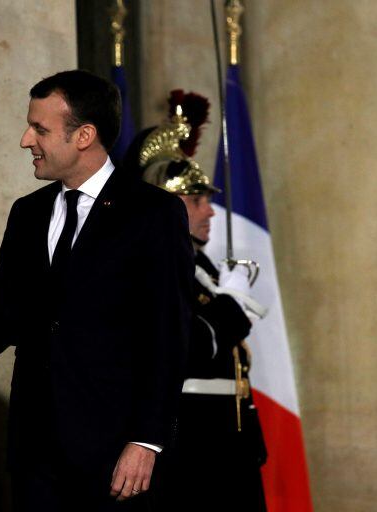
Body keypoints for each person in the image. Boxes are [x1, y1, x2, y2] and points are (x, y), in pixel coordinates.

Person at [0, 70, 193, 511]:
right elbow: (8, 315)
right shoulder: (28, 213)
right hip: (35, 452)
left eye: (39, 128)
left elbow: (168, 335)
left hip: (117, 453)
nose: (25, 140)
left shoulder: (153, 214)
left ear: (84, 136)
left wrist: (146, 440)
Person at [127, 91, 268, 511]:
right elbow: (193, 348)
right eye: (196, 201)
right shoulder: (156, 266)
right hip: (189, 443)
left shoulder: (196, 266)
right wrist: (233, 308)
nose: (209, 211)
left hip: (223, 442)